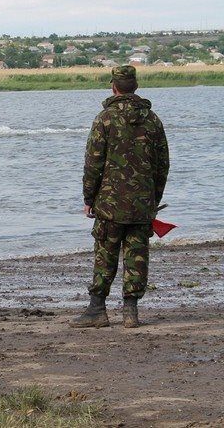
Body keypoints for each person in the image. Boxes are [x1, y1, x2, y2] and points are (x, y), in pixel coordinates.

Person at [72, 65, 170, 329]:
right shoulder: (153, 120)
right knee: (137, 255)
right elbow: (163, 165)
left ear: (113, 87)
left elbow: (93, 162)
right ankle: (131, 311)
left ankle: (97, 310)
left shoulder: (104, 119)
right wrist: (152, 199)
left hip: (109, 205)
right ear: (135, 87)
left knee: (105, 253)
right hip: (142, 204)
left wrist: (88, 198)